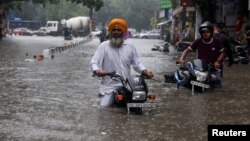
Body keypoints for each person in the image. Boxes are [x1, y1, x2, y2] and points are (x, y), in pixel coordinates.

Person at [90, 18, 154, 107]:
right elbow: (94, 62)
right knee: (104, 107)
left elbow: (137, 64)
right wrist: (97, 71)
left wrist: (145, 71)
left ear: (123, 32)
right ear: (110, 32)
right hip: (109, 87)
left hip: (128, 86)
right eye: (114, 30)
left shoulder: (130, 47)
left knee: (141, 103)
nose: (116, 32)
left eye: (119, 30)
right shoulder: (103, 47)